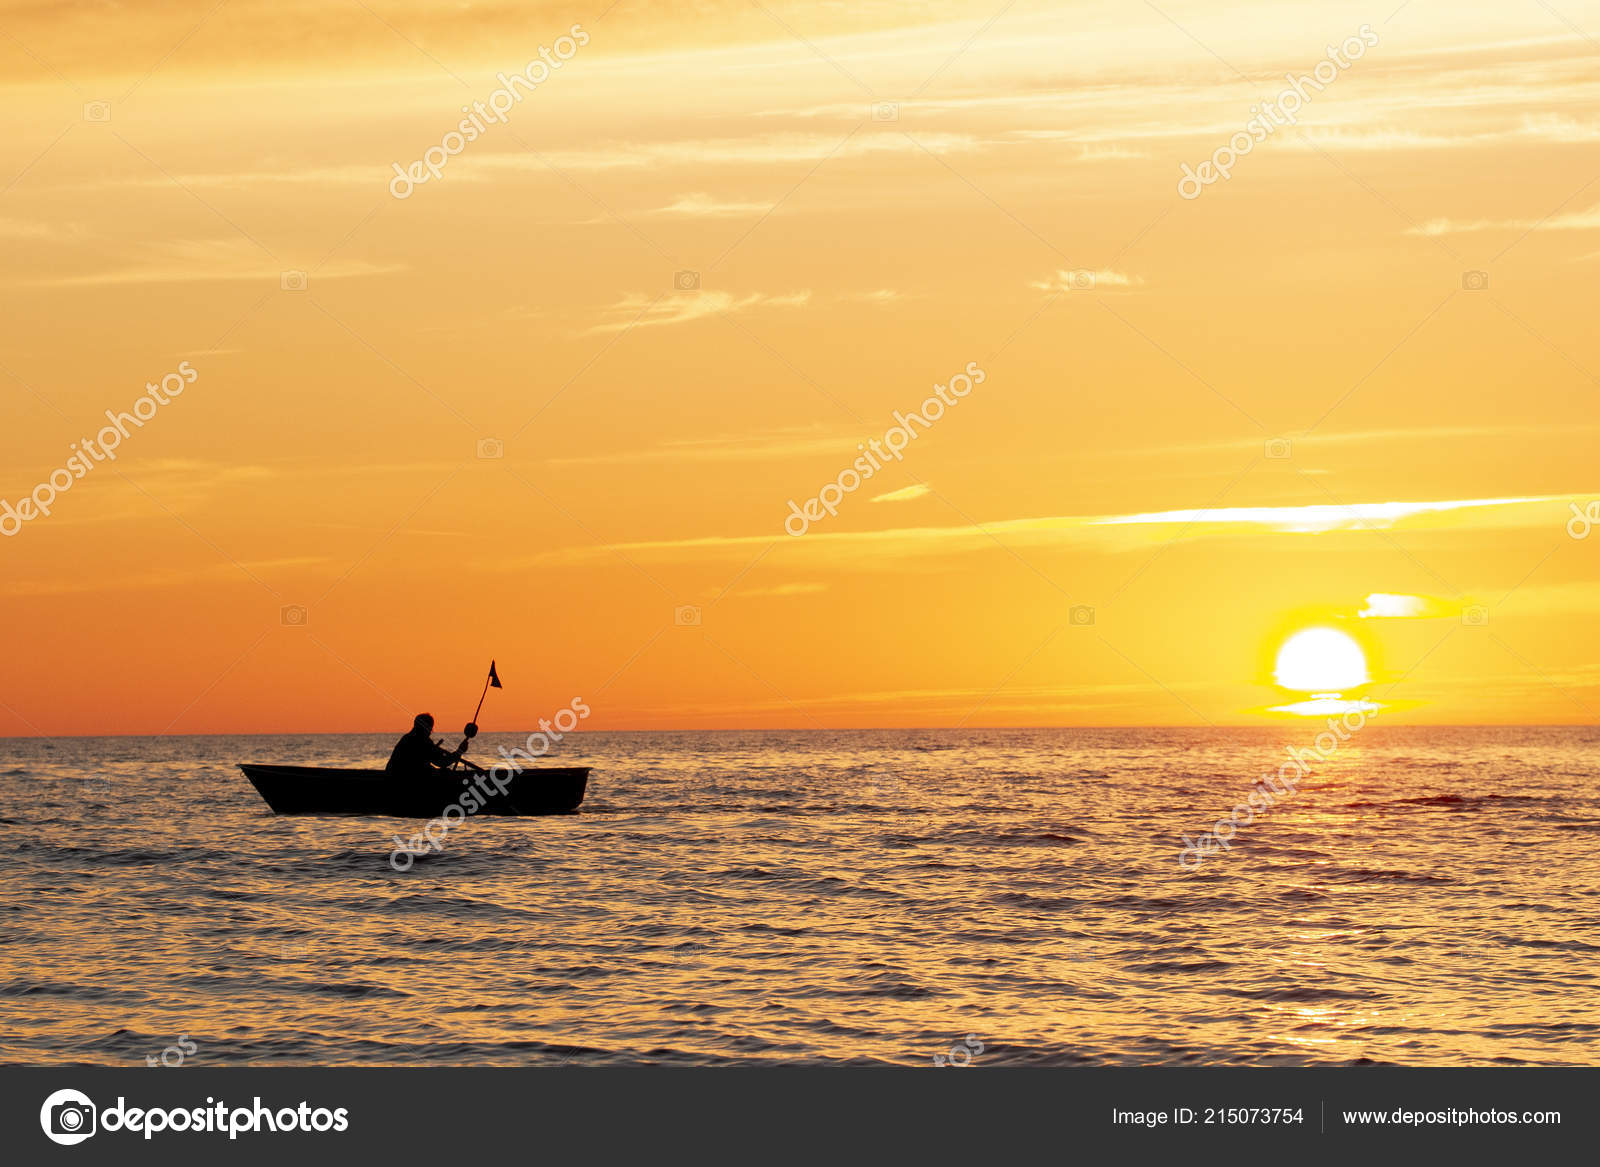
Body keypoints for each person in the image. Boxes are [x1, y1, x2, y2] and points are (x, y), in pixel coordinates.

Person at [386, 713, 465, 775]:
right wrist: (459, 751)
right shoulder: (424, 742)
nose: (431, 732)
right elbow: (442, 762)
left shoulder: (406, 738)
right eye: (430, 729)